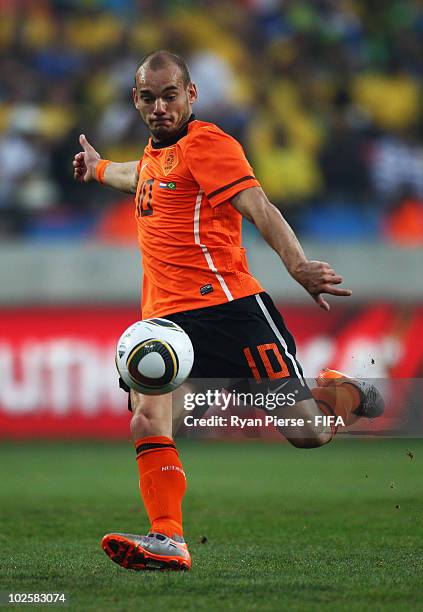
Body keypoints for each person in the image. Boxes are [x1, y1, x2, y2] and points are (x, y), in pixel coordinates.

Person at [73, 50, 384, 572]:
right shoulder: (155, 155)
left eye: (170, 96)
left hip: (231, 310)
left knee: (308, 432)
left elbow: (260, 207)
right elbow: (140, 176)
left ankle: (347, 391)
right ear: (136, 100)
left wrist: (299, 265)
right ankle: (168, 538)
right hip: (166, 323)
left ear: (190, 95)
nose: (160, 107)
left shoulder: (210, 145)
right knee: (149, 419)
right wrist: (100, 167)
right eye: (149, 98)